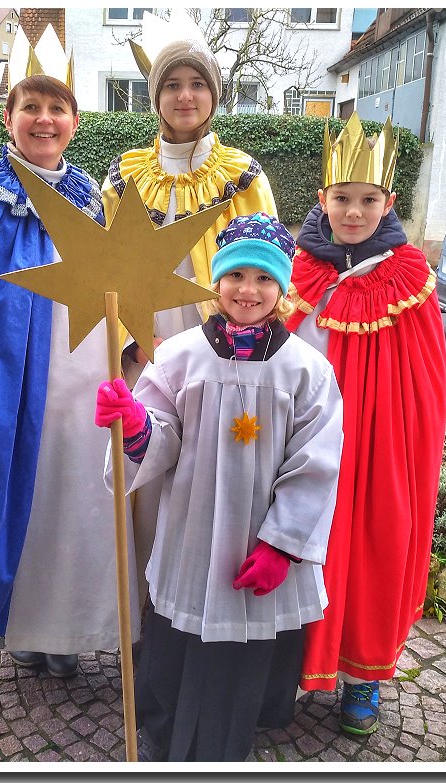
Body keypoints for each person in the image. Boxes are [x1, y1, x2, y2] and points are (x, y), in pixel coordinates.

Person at [0, 61, 141, 677]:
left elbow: (111, 286)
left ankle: (61, 629)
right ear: (8, 117)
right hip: (6, 380)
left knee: (72, 503)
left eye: (57, 107)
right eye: (31, 106)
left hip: (80, 379)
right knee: (17, 496)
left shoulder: (91, 197)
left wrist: (125, 347)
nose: (45, 119)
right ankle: (18, 626)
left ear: (75, 120)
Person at [94, 213, 343, 761]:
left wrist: (283, 543)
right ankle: (164, 734)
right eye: (235, 276)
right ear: (217, 281)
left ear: (281, 287)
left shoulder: (307, 370)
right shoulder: (180, 355)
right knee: (173, 644)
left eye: (263, 278)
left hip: (258, 536)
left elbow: (316, 462)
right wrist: (134, 424)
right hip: (193, 527)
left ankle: (226, 744)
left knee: (241, 650)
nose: (247, 290)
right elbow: (159, 436)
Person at [102, 17, 279, 606]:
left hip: (219, 346)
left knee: (211, 471)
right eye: (171, 83)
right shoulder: (125, 174)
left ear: (214, 95)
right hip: (144, 343)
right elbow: (106, 263)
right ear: (155, 97)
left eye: (197, 84)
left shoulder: (241, 173)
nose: (184, 95)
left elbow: (270, 268)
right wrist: (130, 339)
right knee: (146, 476)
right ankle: (150, 623)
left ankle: (204, 610)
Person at [286, 114, 446, 734]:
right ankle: (292, 668)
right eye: (342, 199)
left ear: (387, 202)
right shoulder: (299, 268)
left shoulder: (409, 275)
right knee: (300, 545)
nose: (354, 212)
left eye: (369, 200)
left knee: (371, 548)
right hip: (304, 440)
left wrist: (401, 442)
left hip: (378, 442)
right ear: (322, 199)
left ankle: (363, 679)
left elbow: (427, 377)